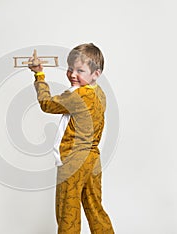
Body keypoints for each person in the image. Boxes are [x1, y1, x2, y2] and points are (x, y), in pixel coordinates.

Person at [29, 43, 114, 234]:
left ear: (96, 73)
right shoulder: (99, 93)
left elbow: (46, 104)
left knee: (68, 212)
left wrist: (39, 75)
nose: (72, 75)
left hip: (73, 161)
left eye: (80, 70)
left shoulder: (76, 95)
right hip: (93, 160)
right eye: (70, 69)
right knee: (95, 208)